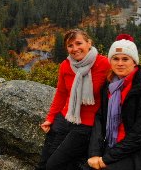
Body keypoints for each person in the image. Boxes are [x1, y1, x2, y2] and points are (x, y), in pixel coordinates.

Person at [84, 34, 141, 170]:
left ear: (134, 62)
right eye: (115, 58)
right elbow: (100, 119)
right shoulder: (109, 85)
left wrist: (107, 159)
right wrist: (94, 153)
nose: (120, 63)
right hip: (115, 146)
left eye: (125, 59)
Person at [37, 29, 111, 170]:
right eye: (70, 45)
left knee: (54, 165)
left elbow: (123, 76)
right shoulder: (66, 65)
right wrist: (50, 118)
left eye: (79, 43)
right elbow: (61, 94)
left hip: (86, 125)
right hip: (65, 117)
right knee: (44, 162)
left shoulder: (104, 64)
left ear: (89, 43)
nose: (75, 48)